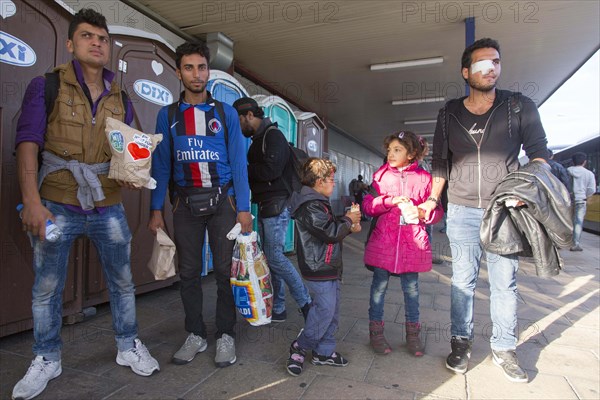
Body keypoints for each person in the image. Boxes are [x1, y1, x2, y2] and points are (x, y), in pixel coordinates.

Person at [13, 9, 160, 399]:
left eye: (102, 38)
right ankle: (47, 357)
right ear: (70, 44)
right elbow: (27, 143)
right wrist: (31, 201)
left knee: (123, 281)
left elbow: (129, 147)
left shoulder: (120, 96)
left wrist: (136, 169)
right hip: (56, 201)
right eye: (87, 36)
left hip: (107, 205)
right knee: (47, 287)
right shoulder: (45, 86)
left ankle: (128, 346)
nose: (97, 43)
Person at [421, 38, 549, 383]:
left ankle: (504, 348)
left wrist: (526, 188)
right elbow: (439, 162)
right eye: (481, 63)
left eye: (495, 61)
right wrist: (433, 199)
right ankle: (460, 343)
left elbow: (539, 153)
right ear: (466, 72)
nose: (489, 68)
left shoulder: (518, 106)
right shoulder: (449, 112)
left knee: (504, 284)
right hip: (461, 210)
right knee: (462, 281)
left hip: (504, 209)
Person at [148, 41, 252, 368]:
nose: (197, 74)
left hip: (224, 202)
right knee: (190, 272)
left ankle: (225, 334)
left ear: (209, 70)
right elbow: (161, 165)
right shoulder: (167, 115)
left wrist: (244, 208)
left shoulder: (226, 113)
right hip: (184, 204)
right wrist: (155, 210)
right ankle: (195, 332)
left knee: (224, 271)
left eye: (202, 67)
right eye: (189, 68)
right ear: (178, 73)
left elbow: (238, 163)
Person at [363, 131, 443, 357]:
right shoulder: (380, 176)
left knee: (412, 291)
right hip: (383, 242)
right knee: (378, 288)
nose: (391, 154)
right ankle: (376, 333)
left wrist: (422, 213)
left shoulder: (426, 179)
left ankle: (413, 336)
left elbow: (437, 213)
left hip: (412, 244)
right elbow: (368, 205)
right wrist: (388, 201)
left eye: (397, 150)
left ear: (412, 154)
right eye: (389, 150)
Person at [232, 97, 311, 323]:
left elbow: (270, 171)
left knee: (275, 257)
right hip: (268, 205)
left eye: (238, 121)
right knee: (268, 257)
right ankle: (278, 308)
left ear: (249, 116)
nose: (238, 127)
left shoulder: (273, 136)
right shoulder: (258, 139)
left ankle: (306, 303)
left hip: (277, 205)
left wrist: (242, 169)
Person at [285, 158, 361, 376]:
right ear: (319, 181)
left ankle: (324, 352)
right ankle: (301, 346)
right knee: (325, 311)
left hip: (328, 266)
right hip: (318, 267)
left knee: (331, 311)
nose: (334, 184)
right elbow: (328, 232)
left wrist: (347, 224)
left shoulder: (316, 202)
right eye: (331, 180)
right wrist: (347, 221)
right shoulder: (310, 205)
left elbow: (327, 227)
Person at [567, 152, 596, 251]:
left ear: (572, 161)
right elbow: (592, 189)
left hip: (568, 200)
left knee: (566, 220)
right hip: (581, 200)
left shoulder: (567, 171)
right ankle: (575, 243)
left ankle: (563, 241)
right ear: (584, 162)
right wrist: (585, 195)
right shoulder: (589, 174)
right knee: (578, 222)